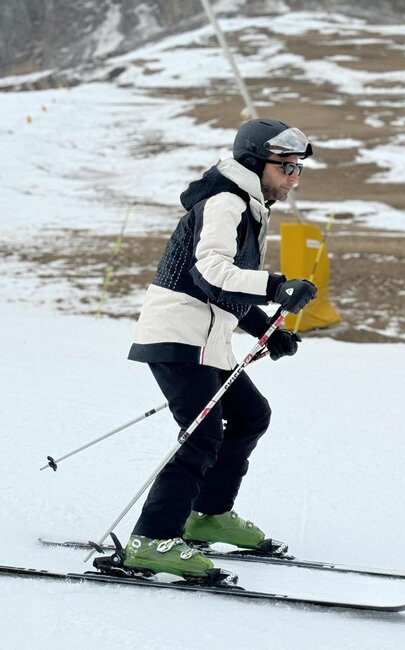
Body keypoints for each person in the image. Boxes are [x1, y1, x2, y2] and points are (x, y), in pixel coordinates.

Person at [123, 118, 317, 580]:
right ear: (256, 163)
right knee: (203, 434)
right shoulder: (226, 201)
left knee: (251, 414)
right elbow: (208, 272)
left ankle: (207, 515)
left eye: (298, 170)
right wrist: (277, 286)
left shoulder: (251, 206)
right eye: (286, 167)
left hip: (207, 339)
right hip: (177, 335)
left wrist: (267, 329)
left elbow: (225, 292)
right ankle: (149, 540)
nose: (293, 178)